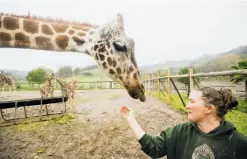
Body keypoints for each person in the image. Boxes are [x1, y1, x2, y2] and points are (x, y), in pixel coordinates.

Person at [120, 87, 247, 159]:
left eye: (192, 101)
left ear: (209, 108)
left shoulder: (239, 143)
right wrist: (131, 120)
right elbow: (154, 148)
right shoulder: (180, 132)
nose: (187, 106)